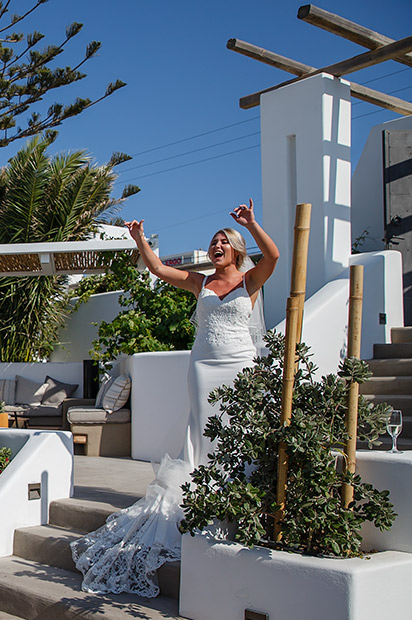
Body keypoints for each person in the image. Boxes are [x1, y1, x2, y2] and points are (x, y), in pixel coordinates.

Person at [71, 199, 279, 597]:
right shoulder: (200, 283)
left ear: (235, 249)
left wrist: (252, 224)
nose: (215, 245)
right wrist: (140, 239)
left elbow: (273, 255)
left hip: (240, 364)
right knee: (203, 432)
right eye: (213, 241)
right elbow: (159, 268)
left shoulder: (249, 281)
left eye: (222, 241)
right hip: (204, 366)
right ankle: (201, 494)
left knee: (242, 430)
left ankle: (239, 493)